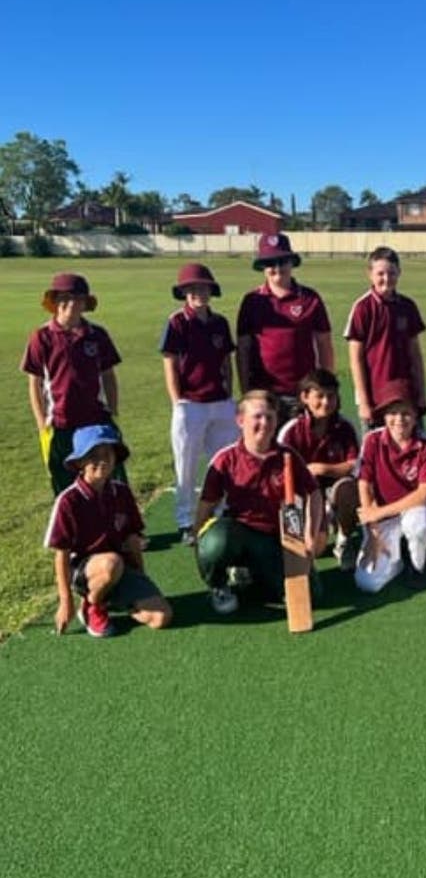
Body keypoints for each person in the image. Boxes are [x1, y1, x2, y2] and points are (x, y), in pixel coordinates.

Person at [193, 389, 322, 615]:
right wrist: (202, 546)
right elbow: (206, 506)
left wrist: (310, 536)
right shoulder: (225, 459)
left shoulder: (288, 457)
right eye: (257, 417)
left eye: (270, 417)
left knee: (313, 595)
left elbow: (314, 494)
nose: (264, 423)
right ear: (240, 420)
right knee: (216, 542)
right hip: (239, 534)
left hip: (276, 539)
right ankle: (219, 585)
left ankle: (252, 574)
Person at [45, 424, 172, 638]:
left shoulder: (121, 492)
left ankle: (114, 599)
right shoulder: (68, 500)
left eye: (108, 453)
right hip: (86, 571)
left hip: (119, 568)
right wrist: (65, 602)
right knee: (111, 563)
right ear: (80, 463)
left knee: (161, 618)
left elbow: (132, 538)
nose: (102, 460)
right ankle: (90, 605)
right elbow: (61, 555)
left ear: (115, 458)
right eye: (93, 454)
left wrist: (140, 577)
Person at [21, 271, 125, 495]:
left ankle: (113, 526)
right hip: (59, 423)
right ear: (55, 302)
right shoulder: (42, 337)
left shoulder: (97, 334)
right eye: (65, 298)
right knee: (64, 483)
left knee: (108, 477)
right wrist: (41, 421)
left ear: (85, 303)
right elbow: (35, 383)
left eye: (78, 299)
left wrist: (113, 409)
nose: (71, 304)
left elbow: (108, 375)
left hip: (95, 419)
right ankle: (71, 529)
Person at [160, 262, 237, 544]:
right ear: (184, 293)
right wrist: (177, 401)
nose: (198, 293)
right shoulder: (177, 322)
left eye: (203, 288)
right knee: (186, 464)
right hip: (190, 403)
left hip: (220, 401)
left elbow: (226, 361)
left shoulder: (220, 323)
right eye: (192, 289)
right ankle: (185, 520)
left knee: (224, 460)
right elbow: (170, 362)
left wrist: (230, 392)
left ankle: (221, 511)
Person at [236, 232, 334, 423]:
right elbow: (243, 351)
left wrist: (326, 386)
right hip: (264, 395)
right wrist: (247, 392)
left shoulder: (309, 298)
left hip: (303, 394)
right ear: (263, 267)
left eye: (283, 261)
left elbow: (324, 344)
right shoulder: (252, 301)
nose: (278, 268)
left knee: (303, 449)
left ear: (292, 263)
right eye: (271, 263)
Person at [354, 379, 426, 593]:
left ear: (415, 416)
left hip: (412, 511)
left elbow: (424, 493)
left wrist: (377, 512)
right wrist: (373, 533)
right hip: (381, 518)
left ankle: (416, 565)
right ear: (383, 415)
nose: (399, 419)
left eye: (406, 413)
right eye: (392, 413)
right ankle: (397, 560)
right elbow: (364, 484)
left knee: (418, 525)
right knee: (368, 584)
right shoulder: (371, 440)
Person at [278, 368, 360, 571]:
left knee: (349, 488)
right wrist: (306, 478)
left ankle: (344, 540)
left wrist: (322, 468)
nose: (326, 402)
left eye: (331, 396)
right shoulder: (291, 430)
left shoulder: (345, 427)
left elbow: (354, 464)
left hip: (333, 488)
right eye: (320, 396)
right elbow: (281, 473)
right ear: (305, 397)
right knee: (316, 548)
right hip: (305, 494)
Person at [344, 246, 426, 429]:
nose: (386, 279)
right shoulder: (362, 308)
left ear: (399, 273)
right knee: (375, 451)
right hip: (375, 395)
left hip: (405, 394)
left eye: (391, 273)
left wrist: (421, 394)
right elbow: (355, 359)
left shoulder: (408, 306)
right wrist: (364, 402)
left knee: (413, 445)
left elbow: (415, 354)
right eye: (380, 273)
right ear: (370, 274)